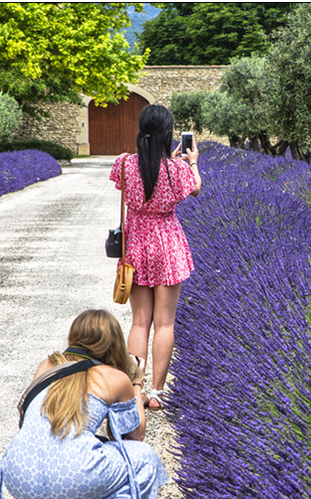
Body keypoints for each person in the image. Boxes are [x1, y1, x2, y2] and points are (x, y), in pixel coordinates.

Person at [0, 309, 167, 499]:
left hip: (19, 476)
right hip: (75, 477)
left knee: (54, 447)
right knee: (146, 458)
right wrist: (136, 382)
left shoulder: (48, 365)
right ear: (114, 344)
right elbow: (134, 436)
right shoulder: (115, 377)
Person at [110, 104, 201, 410]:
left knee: (139, 322)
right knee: (165, 324)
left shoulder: (124, 164)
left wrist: (161, 163)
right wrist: (192, 163)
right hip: (167, 246)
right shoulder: (177, 170)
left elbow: (138, 178)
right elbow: (196, 189)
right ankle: (157, 394)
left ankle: (134, 389)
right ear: (167, 133)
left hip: (136, 245)